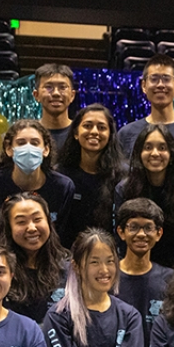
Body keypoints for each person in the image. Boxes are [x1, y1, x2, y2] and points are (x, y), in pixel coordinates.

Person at [0, 119, 75, 250]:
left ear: (46, 149)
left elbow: (59, 239)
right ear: (9, 149)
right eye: (21, 143)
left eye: (35, 143)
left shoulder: (63, 187)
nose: (28, 149)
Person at [115, 199, 173, 347]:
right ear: (121, 232)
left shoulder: (171, 280)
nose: (141, 234)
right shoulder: (106, 278)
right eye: (133, 227)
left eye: (148, 228)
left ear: (159, 233)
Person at [115, 124, 174, 270]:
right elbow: (121, 240)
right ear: (139, 153)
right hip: (134, 268)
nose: (155, 153)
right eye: (148, 147)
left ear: (172, 154)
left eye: (162, 148)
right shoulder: (124, 189)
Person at [54, 104, 125, 246]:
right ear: (76, 133)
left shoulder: (122, 177)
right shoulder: (59, 175)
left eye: (102, 127)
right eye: (87, 126)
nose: (94, 132)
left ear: (110, 135)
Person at [0, 193, 71, 324]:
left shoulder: (70, 268)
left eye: (37, 219)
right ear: (8, 228)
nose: (31, 228)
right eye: (21, 222)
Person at [33, 63, 76, 152]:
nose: (56, 93)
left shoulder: (80, 133)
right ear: (36, 95)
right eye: (48, 87)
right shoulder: (28, 134)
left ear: (72, 95)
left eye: (62, 87)